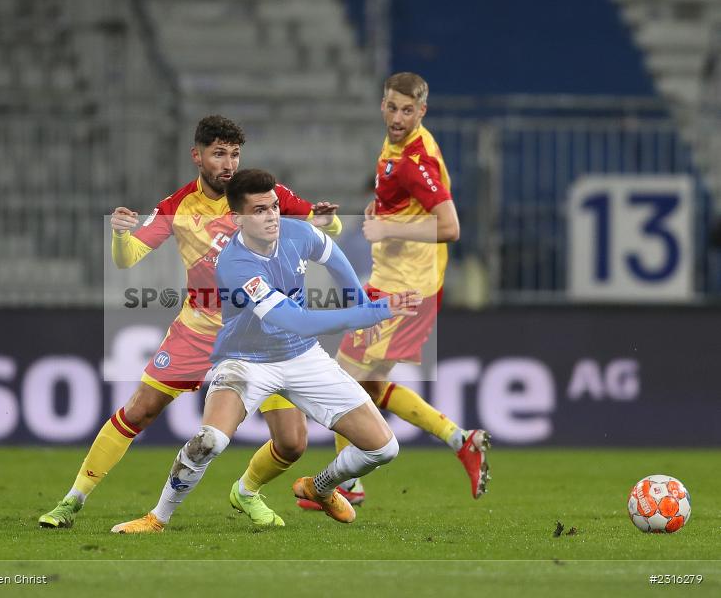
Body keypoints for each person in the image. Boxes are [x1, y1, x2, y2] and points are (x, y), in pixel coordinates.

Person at [39, 116, 342, 529]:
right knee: (140, 410)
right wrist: (119, 235)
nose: (229, 163)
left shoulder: (263, 195)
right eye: (219, 154)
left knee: (291, 443)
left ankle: (246, 491)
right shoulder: (177, 207)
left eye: (235, 154)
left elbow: (327, 228)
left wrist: (327, 219)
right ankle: (72, 500)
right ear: (197, 156)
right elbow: (128, 259)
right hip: (199, 332)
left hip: (263, 337)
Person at [111, 169, 421, 533]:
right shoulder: (235, 265)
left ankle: (318, 488)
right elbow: (299, 321)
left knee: (384, 449)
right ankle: (157, 517)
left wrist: (359, 299)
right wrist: (375, 312)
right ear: (238, 217)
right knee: (210, 441)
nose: (272, 215)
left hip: (302, 356)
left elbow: (334, 257)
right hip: (246, 360)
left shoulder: (298, 232)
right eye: (259, 210)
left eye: (274, 206)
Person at [298, 72, 491, 510]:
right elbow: (411, 204)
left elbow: (451, 227)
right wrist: (385, 210)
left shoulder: (412, 160)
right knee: (368, 383)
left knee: (339, 381)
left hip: (406, 289)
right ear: (382, 105)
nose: (398, 117)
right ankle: (461, 440)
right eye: (391, 107)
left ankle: (346, 485)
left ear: (421, 111)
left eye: (408, 110)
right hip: (402, 281)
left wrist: (387, 226)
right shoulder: (398, 148)